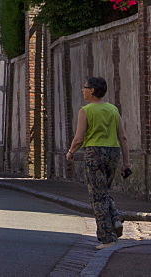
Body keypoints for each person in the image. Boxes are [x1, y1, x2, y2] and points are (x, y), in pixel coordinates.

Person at [66, 76, 131, 249]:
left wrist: (71, 152)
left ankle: (107, 238)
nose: (83, 90)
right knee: (103, 191)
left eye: (85, 87)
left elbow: (79, 138)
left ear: (92, 90)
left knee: (97, 196)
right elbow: (123, 137)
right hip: (113, 152)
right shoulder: (113, 110)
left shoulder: (86, 110)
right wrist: (126, 162)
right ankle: (115, 217)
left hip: (94, 153)